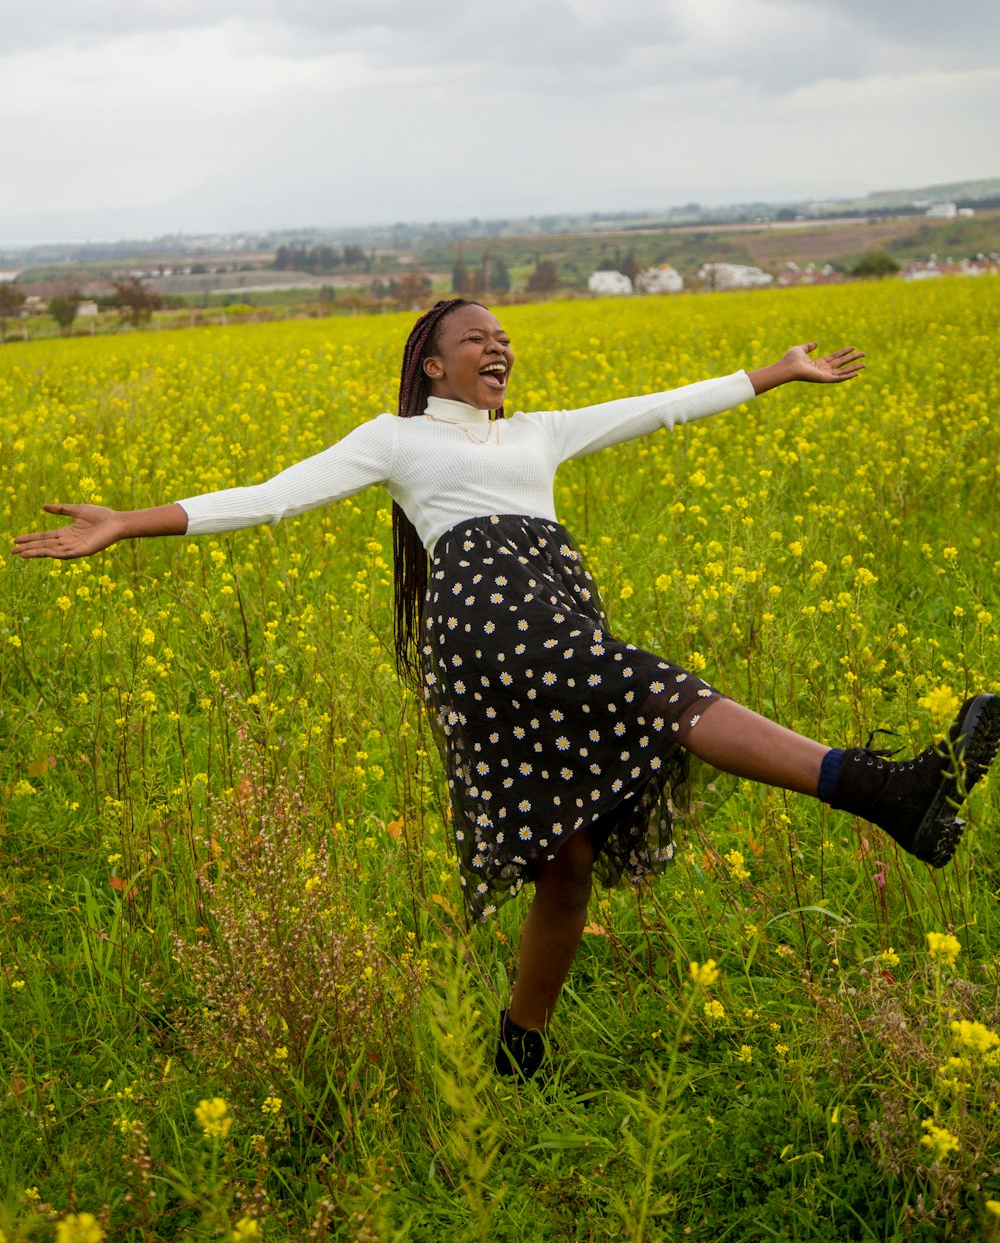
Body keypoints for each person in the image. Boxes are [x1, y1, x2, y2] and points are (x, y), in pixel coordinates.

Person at [14, 297, 1000, 1081]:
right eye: (474, 338)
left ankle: (515, 1052)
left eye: (505, 336)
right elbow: (271, 497)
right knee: (664, 693)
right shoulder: (397, 440)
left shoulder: (541, 433)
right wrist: (127, 521)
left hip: (553, 613)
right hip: (486, 627)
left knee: (564, 857)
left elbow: (657, 408)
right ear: (432, 364)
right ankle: (884, 791)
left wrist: (775, 376)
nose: (498, 347)